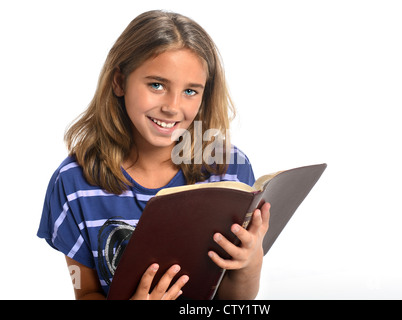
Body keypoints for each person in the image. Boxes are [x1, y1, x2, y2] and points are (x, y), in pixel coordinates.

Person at [37, 10, 270, 300]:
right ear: (120, 82)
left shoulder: (228, 169)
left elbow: (233, 300)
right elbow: (86, 293)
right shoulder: (74, 182)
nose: (172, 107)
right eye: (156, 85)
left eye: (190, 91)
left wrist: (251, 262)